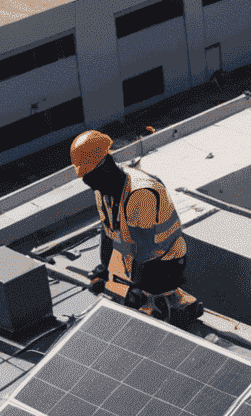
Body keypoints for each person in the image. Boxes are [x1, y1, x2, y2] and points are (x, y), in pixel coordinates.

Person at [70, 130, 203, 328]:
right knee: (125, 279)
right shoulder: (104, 191)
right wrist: (104, 269)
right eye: (85, 179)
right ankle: (158, 296)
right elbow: (107, 232)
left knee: (142, 290)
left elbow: (144, 249)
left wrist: (136, 287)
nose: (89, 185)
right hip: (140, 259)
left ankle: (164, 304)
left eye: (90, 177)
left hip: (166, 262)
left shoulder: (140, 194)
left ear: (105, 166)